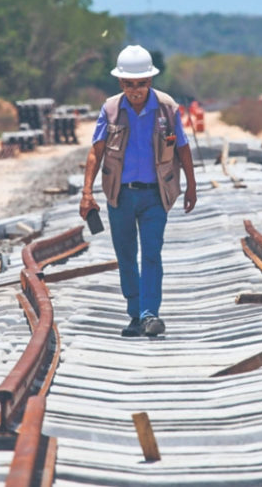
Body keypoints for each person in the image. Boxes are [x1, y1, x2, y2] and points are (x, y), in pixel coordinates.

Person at [79, 45, 197, 337]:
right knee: (126, 254)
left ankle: (149, 314)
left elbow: (182, 147)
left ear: (150, 82)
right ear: (121, 83)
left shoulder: (167, 108)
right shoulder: (110, 109)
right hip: (120, 195)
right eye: (129, 84)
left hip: (155, 195)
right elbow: (96, 151)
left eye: (141, 84)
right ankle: (135, 313)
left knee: (152, 253)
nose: (135, 90)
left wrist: (191, 186)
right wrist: (87, 193)